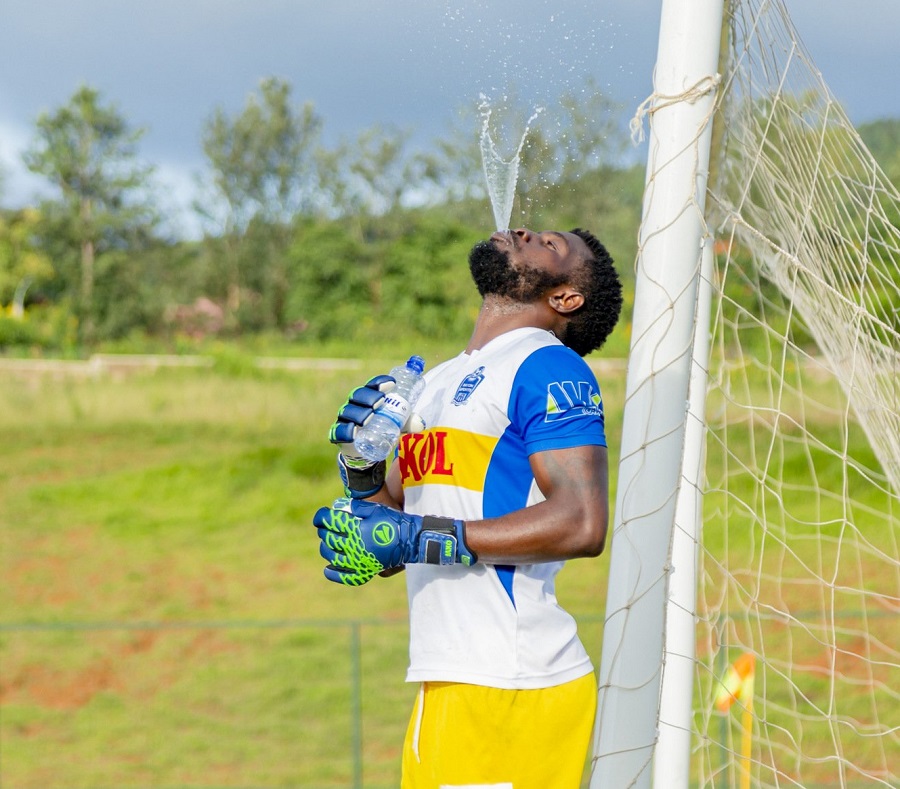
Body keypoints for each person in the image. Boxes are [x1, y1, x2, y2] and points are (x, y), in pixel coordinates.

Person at [314, 226, 623, 789]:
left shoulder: (549, 366)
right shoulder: (438, 379)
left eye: (550, 244)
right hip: (452, 677)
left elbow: (582, 522)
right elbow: (397, 527)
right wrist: (363, 474)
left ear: (565, 298)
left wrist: (421, 536)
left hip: (511, 680)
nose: (525, 230)